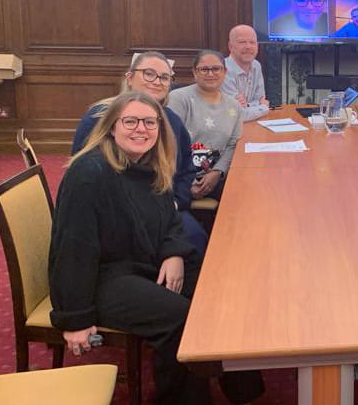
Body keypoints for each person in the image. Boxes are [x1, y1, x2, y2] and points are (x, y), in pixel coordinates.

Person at [51, 90, 264, 405]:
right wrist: (75, 319)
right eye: (131, 121)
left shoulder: (150, 163)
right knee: (181, 319)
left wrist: (173, 251)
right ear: (112, 127)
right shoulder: (89, 174)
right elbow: (73, 250)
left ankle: (243, 392)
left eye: (150, 122)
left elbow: (170, 219)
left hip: (145, 260)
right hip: (102, 279)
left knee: (219, 291)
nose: (141, 129)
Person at [71, 51, 208, 256]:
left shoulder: (172, 120)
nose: (157, 81)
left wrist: (176, 202)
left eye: (164, 77)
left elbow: (186, 170)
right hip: (118, 216)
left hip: (167, 209)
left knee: (196, 241)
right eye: (149, 74)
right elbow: (84, 176)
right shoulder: (99, 117)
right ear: (130, 77)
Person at [168, 50, 243, 203]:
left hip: (217, 176)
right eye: (204, 69)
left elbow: (233, 145)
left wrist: (217, 172)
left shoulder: (235, 106)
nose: (210, 74)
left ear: (225, 72)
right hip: (179, 178)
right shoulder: (178, 99)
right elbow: (170, 144)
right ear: (195, 72)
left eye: (216, 69)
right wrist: (189, 182)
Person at [221, 24, 269, 122]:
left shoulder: (256, 65)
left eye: (252, 42)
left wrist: (246, 105)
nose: (248, 47)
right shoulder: (221, 69)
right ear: (230, 46)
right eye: (242, 42)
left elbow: (260, 99)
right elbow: (235, 114)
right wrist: (263, 108)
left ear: (257, 46)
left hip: (253, 124)